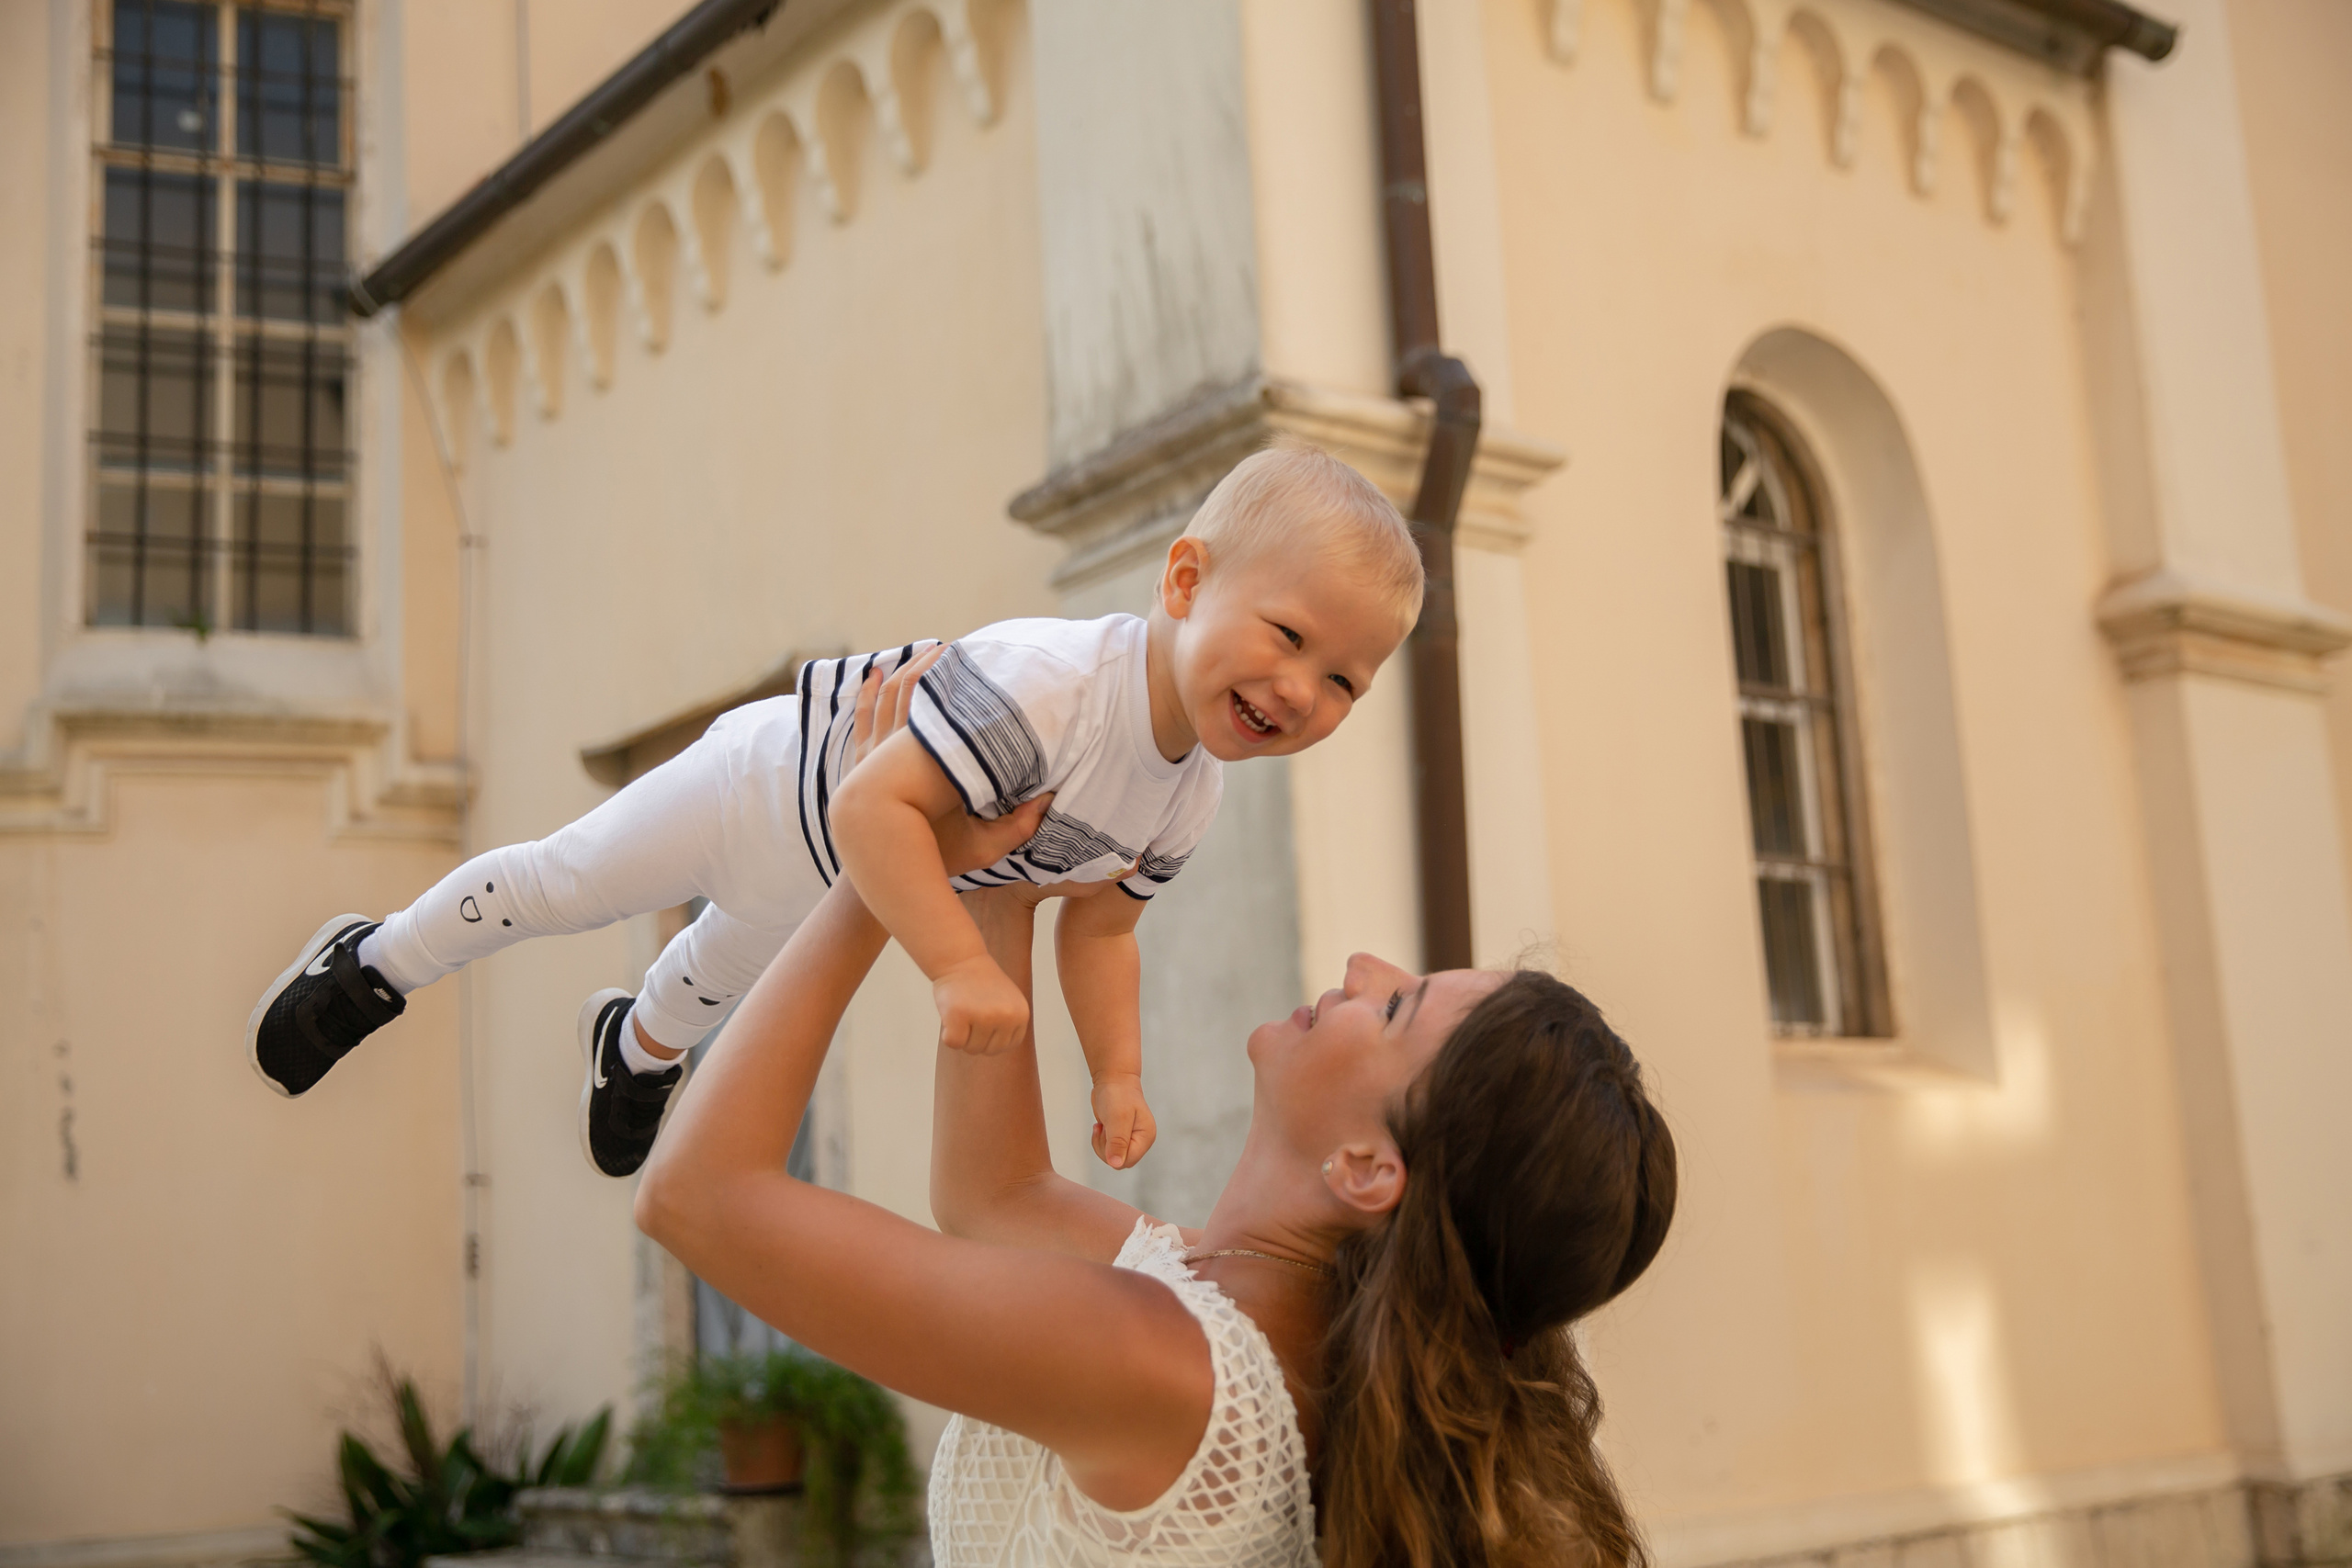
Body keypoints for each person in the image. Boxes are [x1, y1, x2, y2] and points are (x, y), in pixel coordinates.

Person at [635, 660, 1680, 1568]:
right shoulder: (1256, 1316)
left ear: (1368, 1167)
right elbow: (996, 1197)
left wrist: (878, 852)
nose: (1366, 967)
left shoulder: (1160, 1362)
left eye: (1398, 1008)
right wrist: (1000, 881)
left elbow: (698, 1196)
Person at [244, 442, 1422, 1178]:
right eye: (1288, 635)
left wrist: (1116, 1071)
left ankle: (629, 1052)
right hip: (763, 790)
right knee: (569, 881)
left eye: (1343, 681)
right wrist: (960, 967)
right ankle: (379, 963)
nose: (1300, 691)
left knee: (703, 989)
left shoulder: (1188, 796)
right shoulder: (1057, 687)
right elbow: (870, 811)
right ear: (1186, 580)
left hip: (826, 890)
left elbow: (1104, 927)